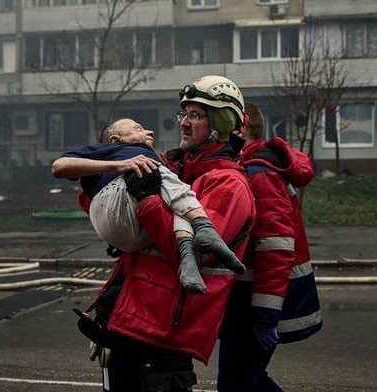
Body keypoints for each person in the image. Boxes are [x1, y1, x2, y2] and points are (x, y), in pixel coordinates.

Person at [88, 75, 255, 391]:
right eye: (184, 114)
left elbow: (196, 254)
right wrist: (101, 183)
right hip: (127, 321)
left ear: (221, 123)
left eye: (196, 115)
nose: (184, 123)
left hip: (162, 336)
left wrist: (147, 201)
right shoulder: (176, 170)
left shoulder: (228, 185)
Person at [51, 118, 245, 293]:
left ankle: (188, 254)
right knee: (160, 175)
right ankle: (202, 228)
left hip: (121, 233)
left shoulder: (156, 158)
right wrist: (119, 165)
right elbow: (58, 166)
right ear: (116, 140)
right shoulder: (112, 152)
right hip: (116, 202)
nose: (149, 132)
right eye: (138, 128)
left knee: (172, 197)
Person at [218, 101, 322, 391]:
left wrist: (264, 316)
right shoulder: (249, 167)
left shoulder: (259, 172)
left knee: (237, 384)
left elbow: (275, 247)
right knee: (246, 381)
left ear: (241, 127)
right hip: (247, 299)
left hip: (252, 301)